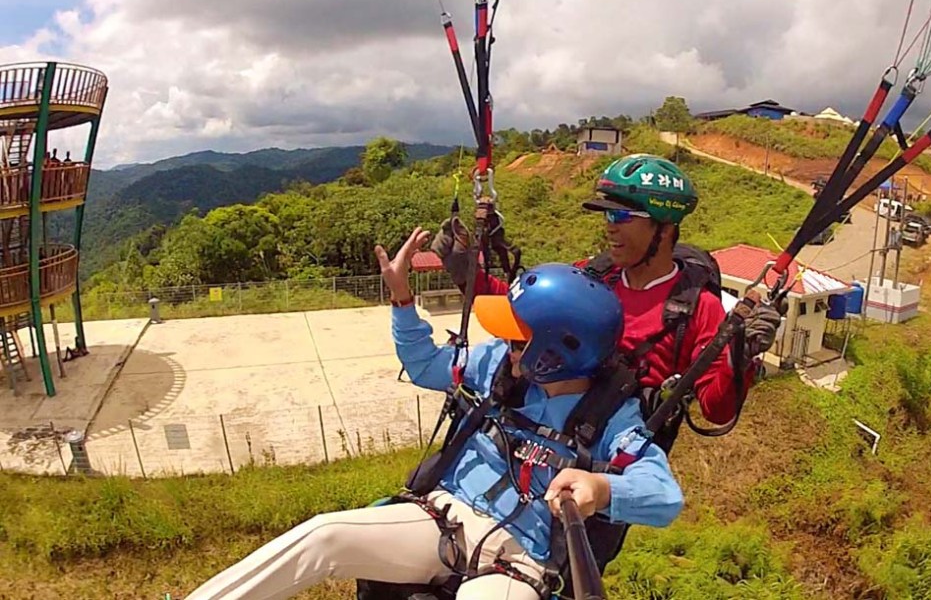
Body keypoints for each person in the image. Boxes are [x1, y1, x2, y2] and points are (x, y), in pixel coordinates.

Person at [187, 228, 683, 600]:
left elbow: (664, 496)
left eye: (518, 338)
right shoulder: (499, 368)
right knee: (325, 535)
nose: (505, 344)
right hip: (443, 519)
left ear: (554, 352)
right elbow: (427, 366)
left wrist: (603, 488)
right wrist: (403, 299)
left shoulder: (610, 416)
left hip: (515, 563)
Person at [433, 154, 781, 453]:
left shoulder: (698, 308)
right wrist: (469, 275)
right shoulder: (597, 275)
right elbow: (529, 313)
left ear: (664, 227)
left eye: (622, 217)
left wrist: (740, 355)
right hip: (539, 427)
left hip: (605, 457)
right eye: (607, 216)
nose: (610, 228)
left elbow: (716, 411)